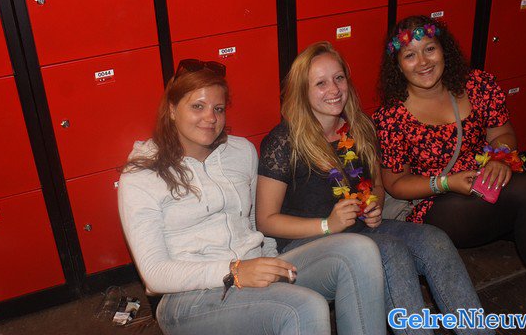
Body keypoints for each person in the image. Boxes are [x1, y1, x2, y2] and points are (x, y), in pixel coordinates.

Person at [117, 59, 386, 335]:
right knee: (305, 307)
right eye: (197, 106)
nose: (210, 118)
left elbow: (257, 224)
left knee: (360, 250)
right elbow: (155, 274)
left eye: (218, 108)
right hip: (188, 298)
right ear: (172, 110)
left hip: (255, 269)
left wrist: (271, 262)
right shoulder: (142, 175)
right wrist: (234, 270)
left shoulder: (241, 152)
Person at [257, 41, 492, 335]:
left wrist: (374, 205)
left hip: (360, 231)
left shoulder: (360, 127)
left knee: (435, 240)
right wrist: (328, 225)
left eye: (339, 78)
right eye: (320, 83)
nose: (334, 89)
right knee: (390, 252)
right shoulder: (283, 141)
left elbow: (378, 186)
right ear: (302, 91)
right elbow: (265, 220)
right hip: (304, 246)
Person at [373, 15, 526, 306]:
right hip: (439, 204)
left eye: (429, 49)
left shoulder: (478, 84)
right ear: (398, 65)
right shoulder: (391, 117)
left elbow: (503, 133)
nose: (423, 62)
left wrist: (499, 158)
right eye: (410, 55)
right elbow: (395, 183)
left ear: (443, 49)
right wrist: (447, 182)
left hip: (487, 184)